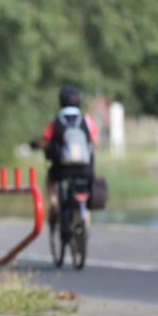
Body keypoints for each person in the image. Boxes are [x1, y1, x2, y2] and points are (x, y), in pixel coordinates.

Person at [33, 85, 99, 223]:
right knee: (86, 193)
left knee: (51, 177)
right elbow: (95, 142)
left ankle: (54, 203)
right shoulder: (86, 120)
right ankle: (85, 218)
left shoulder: (56, 121)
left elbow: (45, 142)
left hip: (62, 169)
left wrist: (35, 145)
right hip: (84, 168)